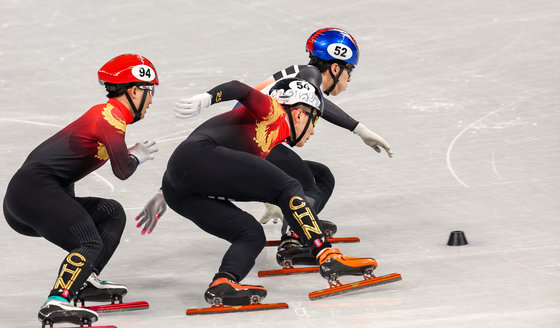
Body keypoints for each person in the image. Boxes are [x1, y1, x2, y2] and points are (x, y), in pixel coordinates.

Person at [137, 77, 377, 306]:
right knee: (289, 186)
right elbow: (239, 88)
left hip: (178, 189)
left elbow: (200, 156)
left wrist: (163, 192)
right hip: (197, 160)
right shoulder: (274, 112)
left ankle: (224, 282)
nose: (313, 130)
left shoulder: (269, 138)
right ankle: (327, 256)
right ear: (299, 113)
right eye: (314, 121)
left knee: (251, 233)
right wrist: (208, 98)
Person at [173, 28, 393, 266]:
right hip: (253, 144)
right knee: (306, 182)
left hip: (243, 146)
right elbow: (316, 102)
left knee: (321, 176)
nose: (349, 78)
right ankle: (295, 238)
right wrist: (359, 129)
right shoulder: (310, 75)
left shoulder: (300, 75)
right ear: (336, 67)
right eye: (349, 70)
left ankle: (300, 224)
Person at [3, 54, 159, 326]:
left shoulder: (106, 116)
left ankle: (84, 279)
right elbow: (123, 171)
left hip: (33, 193)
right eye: (150, 91)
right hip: (32, 192)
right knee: (89, 241)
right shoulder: (110, 117)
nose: (152, 100)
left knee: (112, 213)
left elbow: (62, 169)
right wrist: (136, 156)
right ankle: (56, 301)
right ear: (134, 90)